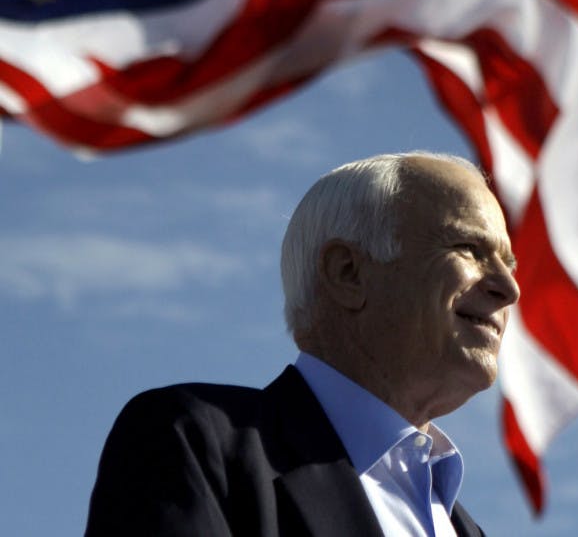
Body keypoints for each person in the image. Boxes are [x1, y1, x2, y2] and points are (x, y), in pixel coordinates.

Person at [85, 151, 520, 536]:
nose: (509, 288)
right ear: (347, 273)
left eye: (508, 263)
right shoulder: (194, 444)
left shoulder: (464, 527)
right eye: (469, 248)